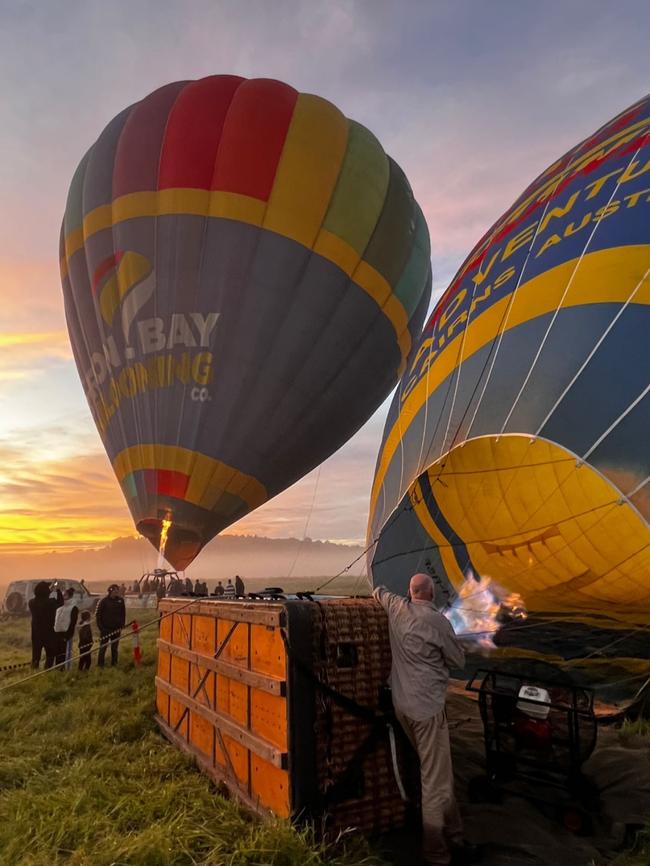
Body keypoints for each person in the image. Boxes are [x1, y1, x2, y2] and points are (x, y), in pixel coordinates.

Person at [373, 574, 471, 866]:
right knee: (434, 781)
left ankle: (456, 834)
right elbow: (458, 661)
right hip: (427, 711)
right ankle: (436, 852)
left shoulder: (396, 608)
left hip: (401, 705)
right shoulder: (439, 623)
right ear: (432, 594)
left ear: (410, 591)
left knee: (438, 772)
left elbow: (379, 591)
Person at [28, 581, 63, 669]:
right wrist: (58, 590)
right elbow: (60, 603)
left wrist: (49, 590)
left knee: (35, 656)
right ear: (46, 592)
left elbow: (42, 597)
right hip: (49, 634)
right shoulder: (51, 603)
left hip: (36, 634)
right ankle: (47, 671)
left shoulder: (31, 602)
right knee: (50, 656)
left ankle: (34, 671)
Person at [96, 584, 126, 667]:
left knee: (114, 648)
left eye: (117, 591)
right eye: (114, 591)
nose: (116, 592)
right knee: (103, 648)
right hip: (105, 629)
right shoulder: (104, 601)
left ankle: (114, 664)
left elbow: (123, 614)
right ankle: (100, 665)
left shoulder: (120, 601)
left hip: (116, 629)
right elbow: (98, 615)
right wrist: (101, 628)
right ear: (110, 591)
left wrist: (122, 625)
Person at [54, 587, 79, 670]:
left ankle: (66, 669)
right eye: (62, 594)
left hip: (66, 634)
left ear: (70, 596)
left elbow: (73, 623)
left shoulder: (73, 608)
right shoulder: (59, 608)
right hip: (58, 633)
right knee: (58, 653)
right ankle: (58, 668)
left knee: (66, 653)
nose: (63, 596)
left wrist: (68, 635)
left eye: (65, 595)